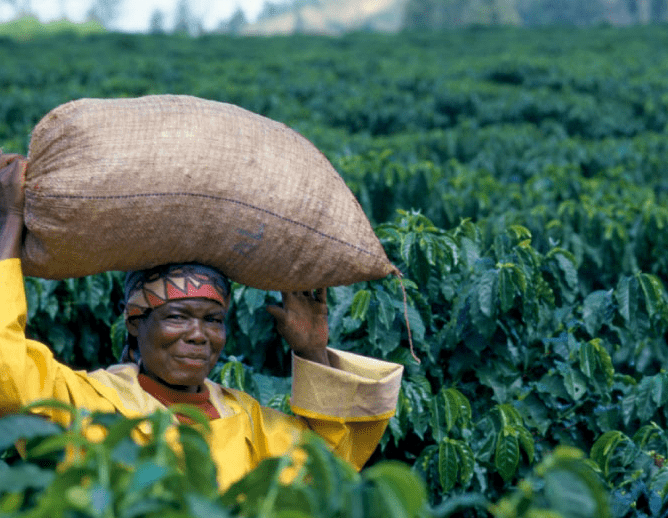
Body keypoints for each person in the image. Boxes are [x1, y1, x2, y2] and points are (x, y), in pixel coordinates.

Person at [0, 153, 403, 490]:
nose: (199, 336)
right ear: (136, 323)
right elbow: (8, 374)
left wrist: (311, 348)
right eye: (177, 317)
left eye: (213, 320)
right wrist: (11, 224)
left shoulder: (245, 419)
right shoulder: (89, 403)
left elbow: (326, 468)